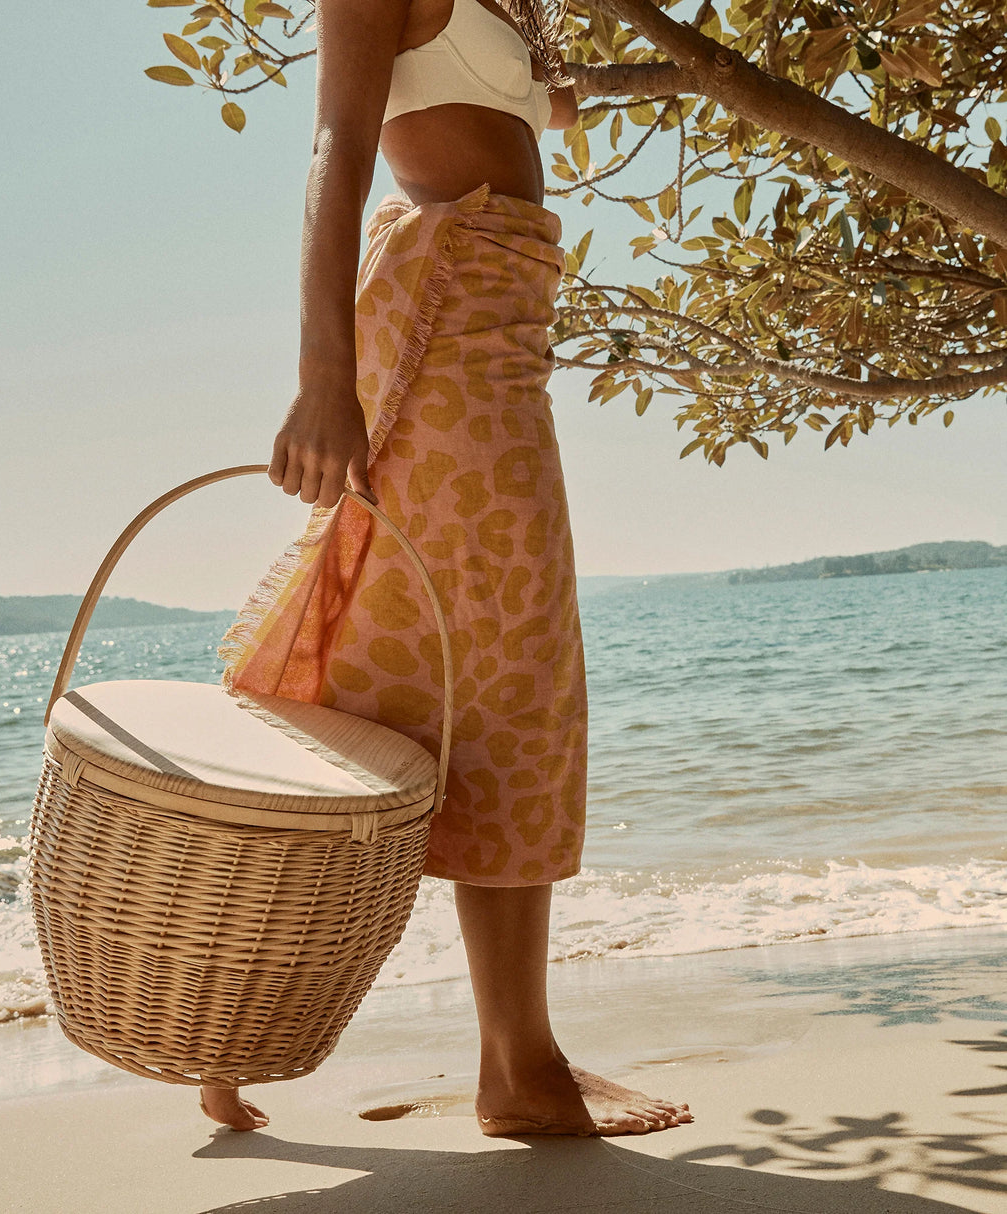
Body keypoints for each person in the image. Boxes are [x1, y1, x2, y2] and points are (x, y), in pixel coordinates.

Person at [203, 0, 692, 1138]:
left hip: (497, 324)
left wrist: (687, 72)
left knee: (468, 678)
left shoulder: (515, 9)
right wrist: (323, 373)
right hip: (446, 315)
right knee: (468, 677)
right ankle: (506, 1065)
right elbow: (338, 137)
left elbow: (548, 106)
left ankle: (507, 1056)